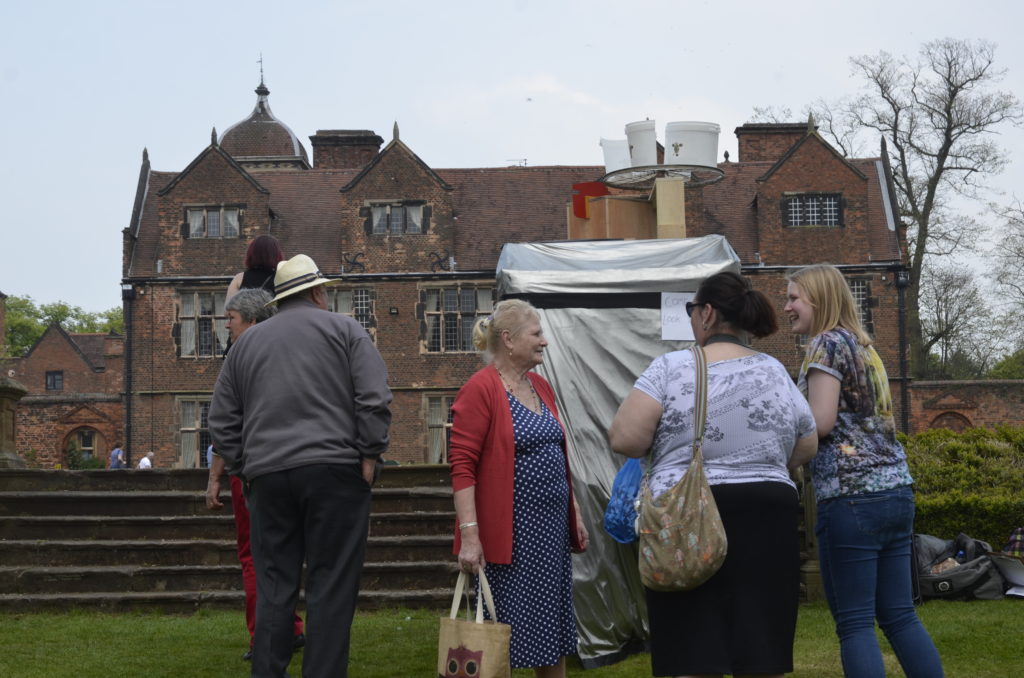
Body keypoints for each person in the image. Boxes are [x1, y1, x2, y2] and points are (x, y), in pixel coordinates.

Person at [609, 271, 818, 678]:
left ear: (706, 314)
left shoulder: (671, 367)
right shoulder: (774, 371)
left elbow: (625, 438)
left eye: (691, 310)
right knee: (759, 653)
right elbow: (807, 444)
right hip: (767, 517)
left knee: (690, 652)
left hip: (687, 517)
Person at [209, 253, 392, 678]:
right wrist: (369, 452)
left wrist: (242, 467)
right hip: (336, 471)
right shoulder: (346, 329)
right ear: (315, 292)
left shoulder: (246, 343)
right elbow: (375, 398)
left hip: (268, 477)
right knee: (331, 586)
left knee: (274, 587)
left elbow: (220, 419)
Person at [784, 264, 943, 678]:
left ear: (818, 300)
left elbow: (819, 423)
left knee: (855, 624)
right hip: (896, 494)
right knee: (900, 616)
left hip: (851, 499)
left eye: (793, 297)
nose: (787, 307)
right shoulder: (864, 345)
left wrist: (782, 453)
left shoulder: (824, 346)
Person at [449, 299, 589, 678]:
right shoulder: (480, 389)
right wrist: (470, 537)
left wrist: (572, 511)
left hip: (550, 536)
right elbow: (462, 467)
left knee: (552, 636)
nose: (544, 341)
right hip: (510, 540)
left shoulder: (541, 386)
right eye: (537, 333)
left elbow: (558, 452)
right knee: (501, 641)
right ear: (508, 340)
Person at [205, 289, 304, 661]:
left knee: (254, 555)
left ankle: (262, 635)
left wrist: (218, 475)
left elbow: (225, 423)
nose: (226, 325)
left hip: (253, 470)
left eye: (231, 318)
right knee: (282, 553)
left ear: (253, 322)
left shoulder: (240, 358)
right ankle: (289, 627)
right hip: (292, 465)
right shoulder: (291, 355)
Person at [226, 234, 284, 300]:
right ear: (277, 255)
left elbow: (229, 308)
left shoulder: (239, 278)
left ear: (251, 254)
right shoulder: (281, 279)